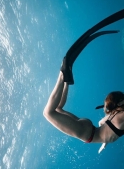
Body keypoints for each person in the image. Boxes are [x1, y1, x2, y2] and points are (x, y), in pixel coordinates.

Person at [43, 9, 124, 153]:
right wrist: (105, 141)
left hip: (91, 128)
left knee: (57, 109)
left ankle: (67, 81)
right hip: (88, 133)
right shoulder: (119, 117)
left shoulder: (113, 116)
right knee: (48, 113)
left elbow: (102, 122)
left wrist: (104, 143)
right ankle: (62, 76)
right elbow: (106, 126)